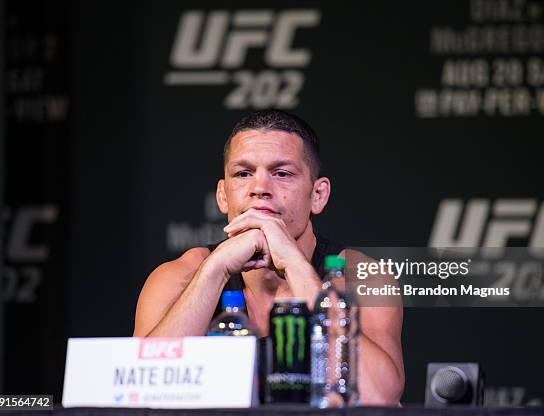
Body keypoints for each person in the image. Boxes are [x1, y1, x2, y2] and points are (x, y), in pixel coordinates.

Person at [133, 110, 404, 405]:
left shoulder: (362, 276)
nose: (259, 188)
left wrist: (296, 266)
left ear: (318, 195)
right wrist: (216, 271)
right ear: (223, 196)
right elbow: (141, 392)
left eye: (282, 174)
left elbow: (379, 397)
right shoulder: (180, 275)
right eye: (243, 174)